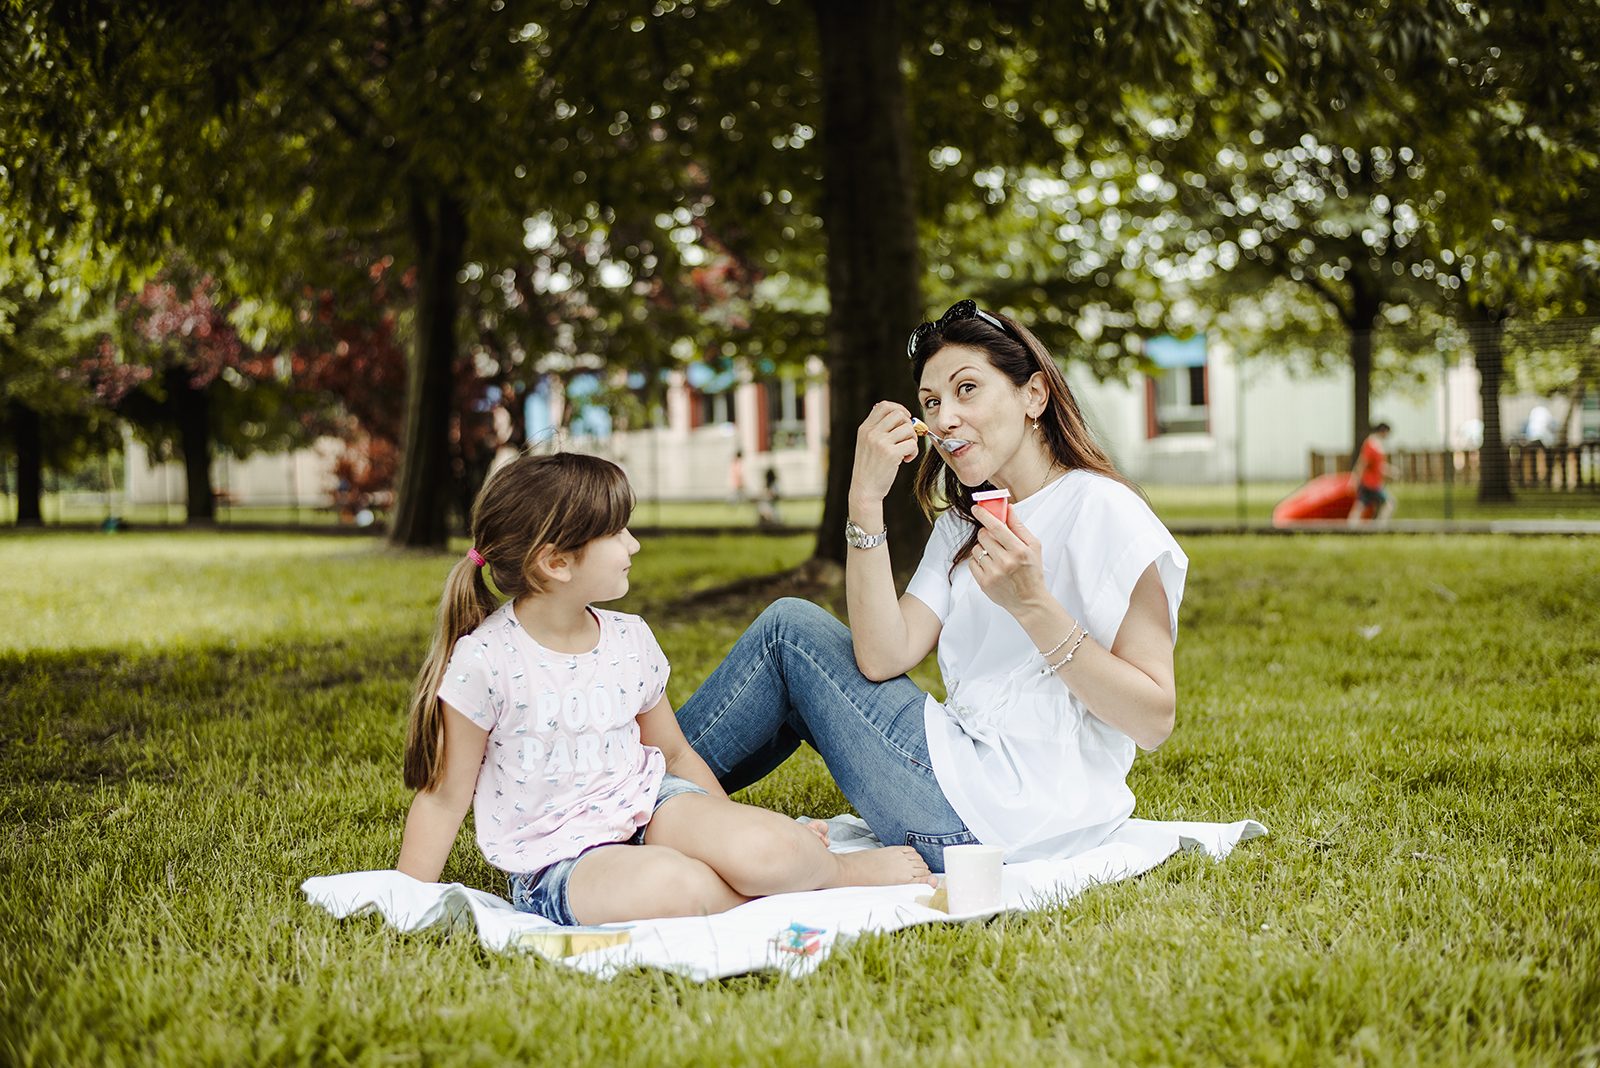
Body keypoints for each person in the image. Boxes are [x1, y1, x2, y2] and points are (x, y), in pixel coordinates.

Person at [673, 300, 1188, 870]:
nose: (944, 420)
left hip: (1002, 815)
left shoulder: (1106, 509)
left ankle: (625, 797)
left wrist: (1035, 607)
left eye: (967, 390)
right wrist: (865, 501)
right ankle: (658, 805)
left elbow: (1154, 720)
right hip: (962, 788)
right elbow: (881, 655)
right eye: (932, 402)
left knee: (788, 634)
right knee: (794, 643)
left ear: (1033, 396)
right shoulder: (960, 526)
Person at [395, 452, 931, 927]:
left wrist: (732, 831)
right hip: (561, 858)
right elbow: (444, 799)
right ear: (556, 562)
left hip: (652, 806)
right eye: (617, 532)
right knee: (676, 887)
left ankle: (834, 871)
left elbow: (672, 751)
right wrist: (408, 903)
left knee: (769, 846)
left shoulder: (630, 639)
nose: (634, 543)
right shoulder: (485, 663)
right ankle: (788, 886)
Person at [1348, 422, 1395, 523]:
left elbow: (1378, 466)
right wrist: (1355, 478)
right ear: (1383, 431)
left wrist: (1390, 471)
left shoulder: (1377, 445)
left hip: (1372, 482)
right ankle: (1380, 526)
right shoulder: (1371, 444)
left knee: (1360, 505)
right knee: (1389, 502)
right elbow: (1362, 462)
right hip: (1371, 483)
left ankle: (1351, 525)